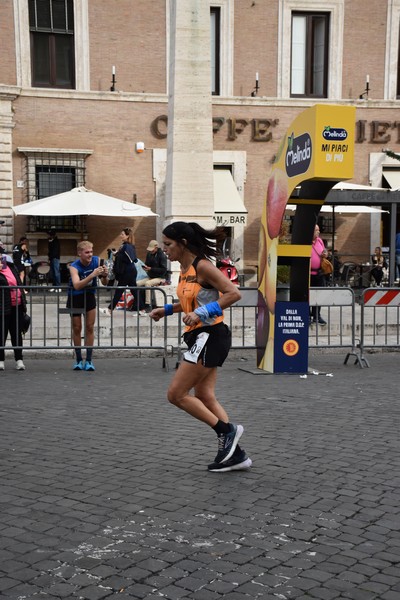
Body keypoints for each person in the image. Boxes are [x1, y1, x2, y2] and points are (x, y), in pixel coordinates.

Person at [149, 221, 251, 473]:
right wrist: (167, 309)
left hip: (210, 335)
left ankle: (227, 431)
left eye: (168, 245)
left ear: (183, 243)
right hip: (199, 336)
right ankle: (236, 455)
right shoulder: (185, 269)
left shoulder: (203, 266)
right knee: (204, 396)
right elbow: (190, 302)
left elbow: (233, 293)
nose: (165, 250)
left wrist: (202, 312)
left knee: (176, 394)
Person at [67, 240, 108, 371]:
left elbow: (105, 282)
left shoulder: (97, 261)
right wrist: (92, 275)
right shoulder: (74, 266)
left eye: (91, 251)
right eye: (87, 252)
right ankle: (79, 360)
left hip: (89, 296)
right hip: (75, 297)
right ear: (80, 253)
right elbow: (77, 285)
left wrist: (104, 275)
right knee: (77, 328)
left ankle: (89, 360)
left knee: (90, 327)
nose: (90, 254)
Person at [100, 228, 146, 315]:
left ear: (127, 236)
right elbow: (125, 256)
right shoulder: (126, 245)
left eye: (122, 234)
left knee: (119, 290)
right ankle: (142, 310)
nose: (120, 235)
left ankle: (109, 310)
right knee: (134, 291)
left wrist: (119, 254)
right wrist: (116, 253)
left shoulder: (127, 246)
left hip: (127, 271)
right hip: (130, 271)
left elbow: (132, 258)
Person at [0, 253, 28, 371]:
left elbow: (18, 283)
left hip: (17, 305)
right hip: (2, 306)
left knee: (16, 333)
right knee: (1, 334)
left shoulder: (10, 266)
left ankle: (19, 360)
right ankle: (0, 360)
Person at [138, 240, 169, 309]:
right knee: (137, 283)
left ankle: (148, 304)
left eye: (152, 250)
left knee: (147, 283)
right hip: (151, 276)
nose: (151, 251)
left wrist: (151, 269)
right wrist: (145, 267)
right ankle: (138, 303)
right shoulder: (149, 254)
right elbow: (147, 264)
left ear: (156, 247)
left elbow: (163, 270)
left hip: (160, 277)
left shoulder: (162, 256)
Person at [310, 224, 327, 325]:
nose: (318, 232)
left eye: (319, 230)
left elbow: (324, 250)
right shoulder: (306, 242)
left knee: (319, 295)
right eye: (316, 230)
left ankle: (317, 316)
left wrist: (325, 253)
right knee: (308, 296)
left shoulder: (320, 241)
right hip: (309, 274)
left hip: (319, 273)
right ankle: (308, 315)